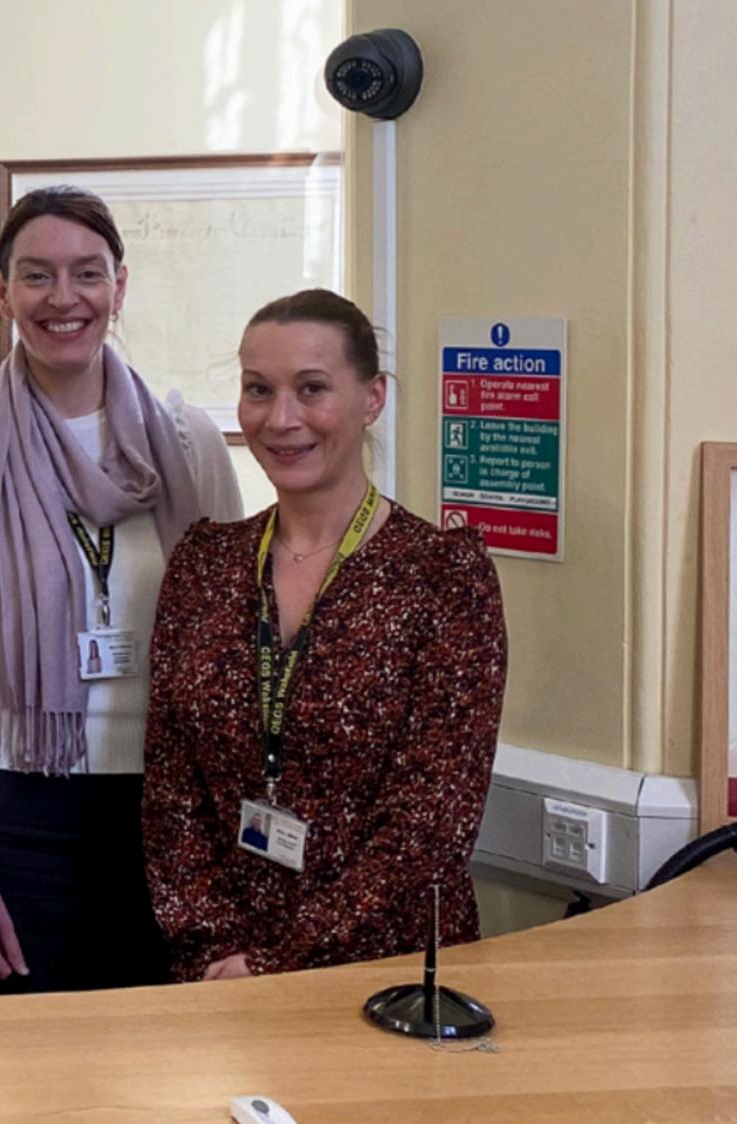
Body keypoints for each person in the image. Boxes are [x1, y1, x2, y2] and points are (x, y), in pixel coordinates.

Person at [0, 185, 243, 994]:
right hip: (18, 810)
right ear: (3, 292)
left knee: (161, 1045)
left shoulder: (188, 442)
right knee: (26, 1048)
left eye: (87, 273)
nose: (64, 298)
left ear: (119, 287)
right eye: (37, 275)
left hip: (173, 809)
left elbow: (233, 641)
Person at [143, 288, 506, 981]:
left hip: (387, 976)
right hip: (219, 977)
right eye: (258, 389)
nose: (281, 419)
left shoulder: (442, 577)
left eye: (312, 389)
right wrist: (213, 949)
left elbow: (431, 824)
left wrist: (276, 965)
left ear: (373, 398)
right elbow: (172, 789)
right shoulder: (204, 566)